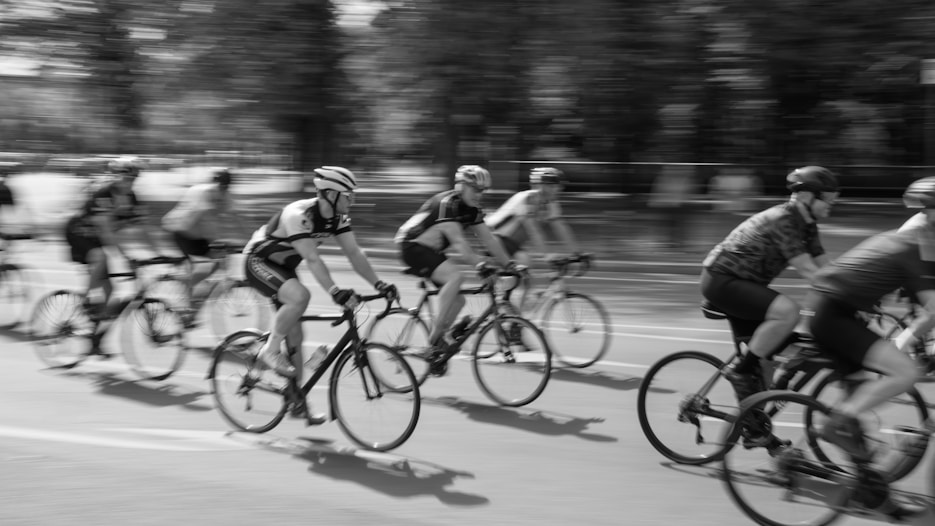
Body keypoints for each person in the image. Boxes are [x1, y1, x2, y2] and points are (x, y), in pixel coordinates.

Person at [802, 177, 935, 520]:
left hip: (836, 311)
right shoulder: (912, 246)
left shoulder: (918, 243)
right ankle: (836, 424)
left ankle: (872, 495)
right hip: (831, 315)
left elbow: (923, 314)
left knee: (859, 409)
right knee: (905, 372)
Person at [243, 166, 397, 422]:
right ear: (331, 194)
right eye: (348, 195)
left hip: (283, 267)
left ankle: (296, 402)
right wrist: (335, 291)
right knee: (301, 297)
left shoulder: (338, 218)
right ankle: (269, 351)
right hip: (258, 261)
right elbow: (312, 259)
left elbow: (355, 254)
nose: (353, 200)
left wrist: (379, 284)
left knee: (296, 336)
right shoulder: (299, 214)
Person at [700, 165, 839, 402]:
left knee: (768, 361)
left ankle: (754, 430)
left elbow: (826, 268)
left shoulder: (807, 225)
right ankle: (741, 373)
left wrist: (856, 288)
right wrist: (845, 298)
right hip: (721, 280)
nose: (831, 205)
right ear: (806, 196)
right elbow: (808, 269)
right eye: (827, 199)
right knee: (787, 311)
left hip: (744, 284)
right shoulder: (783, 220)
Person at [394, 165, 514, 371]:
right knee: (455, 277)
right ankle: (433, 343)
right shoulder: (447, 205)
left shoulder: (472, 209)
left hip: (432, 251)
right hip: (411, 246)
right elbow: (460, 245)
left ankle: (440, 343)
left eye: (482, 190)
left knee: (458, 301)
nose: (479, 194)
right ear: (461, 186)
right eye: (475, 189)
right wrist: (480, 265)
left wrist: (510, 264)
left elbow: (489, 239)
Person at [63, 156, 164, 352]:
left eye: (133, 179)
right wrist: (124, 257)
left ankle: (95, 337)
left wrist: (159, 253)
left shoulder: (132, 198)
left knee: (110, 292)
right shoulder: (104, 194)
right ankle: (85, 301)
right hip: (78, 233)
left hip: (98, 239)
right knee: (101, 256)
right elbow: (106, 233)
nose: (129, 183)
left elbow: (144, 229)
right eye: (126, 178)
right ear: (115, 176)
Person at [161, 167, 249, 326]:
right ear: (213, 183)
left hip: (198, 235)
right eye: (220, 185)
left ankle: (191, 294)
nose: (222, 188)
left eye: (225, 186)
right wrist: (216, 242)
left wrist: (250, 239)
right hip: (181, 231)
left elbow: (236, 218)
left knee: (219, 263)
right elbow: (207, 219)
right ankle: (186, 304)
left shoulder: (225, 196)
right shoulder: (203, 193)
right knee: (200, 267)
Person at [484, 167, 583, 267]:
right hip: (496, 238)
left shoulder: (551, 202)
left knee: (521, 269)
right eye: (552, 186)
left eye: (558, 186)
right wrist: (547, 255)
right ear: (540, 186)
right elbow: (533, 230)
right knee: (524, 261)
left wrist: (577, 253)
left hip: (512, 244)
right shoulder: (528, 199)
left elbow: (561, 227)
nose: (557, 189)